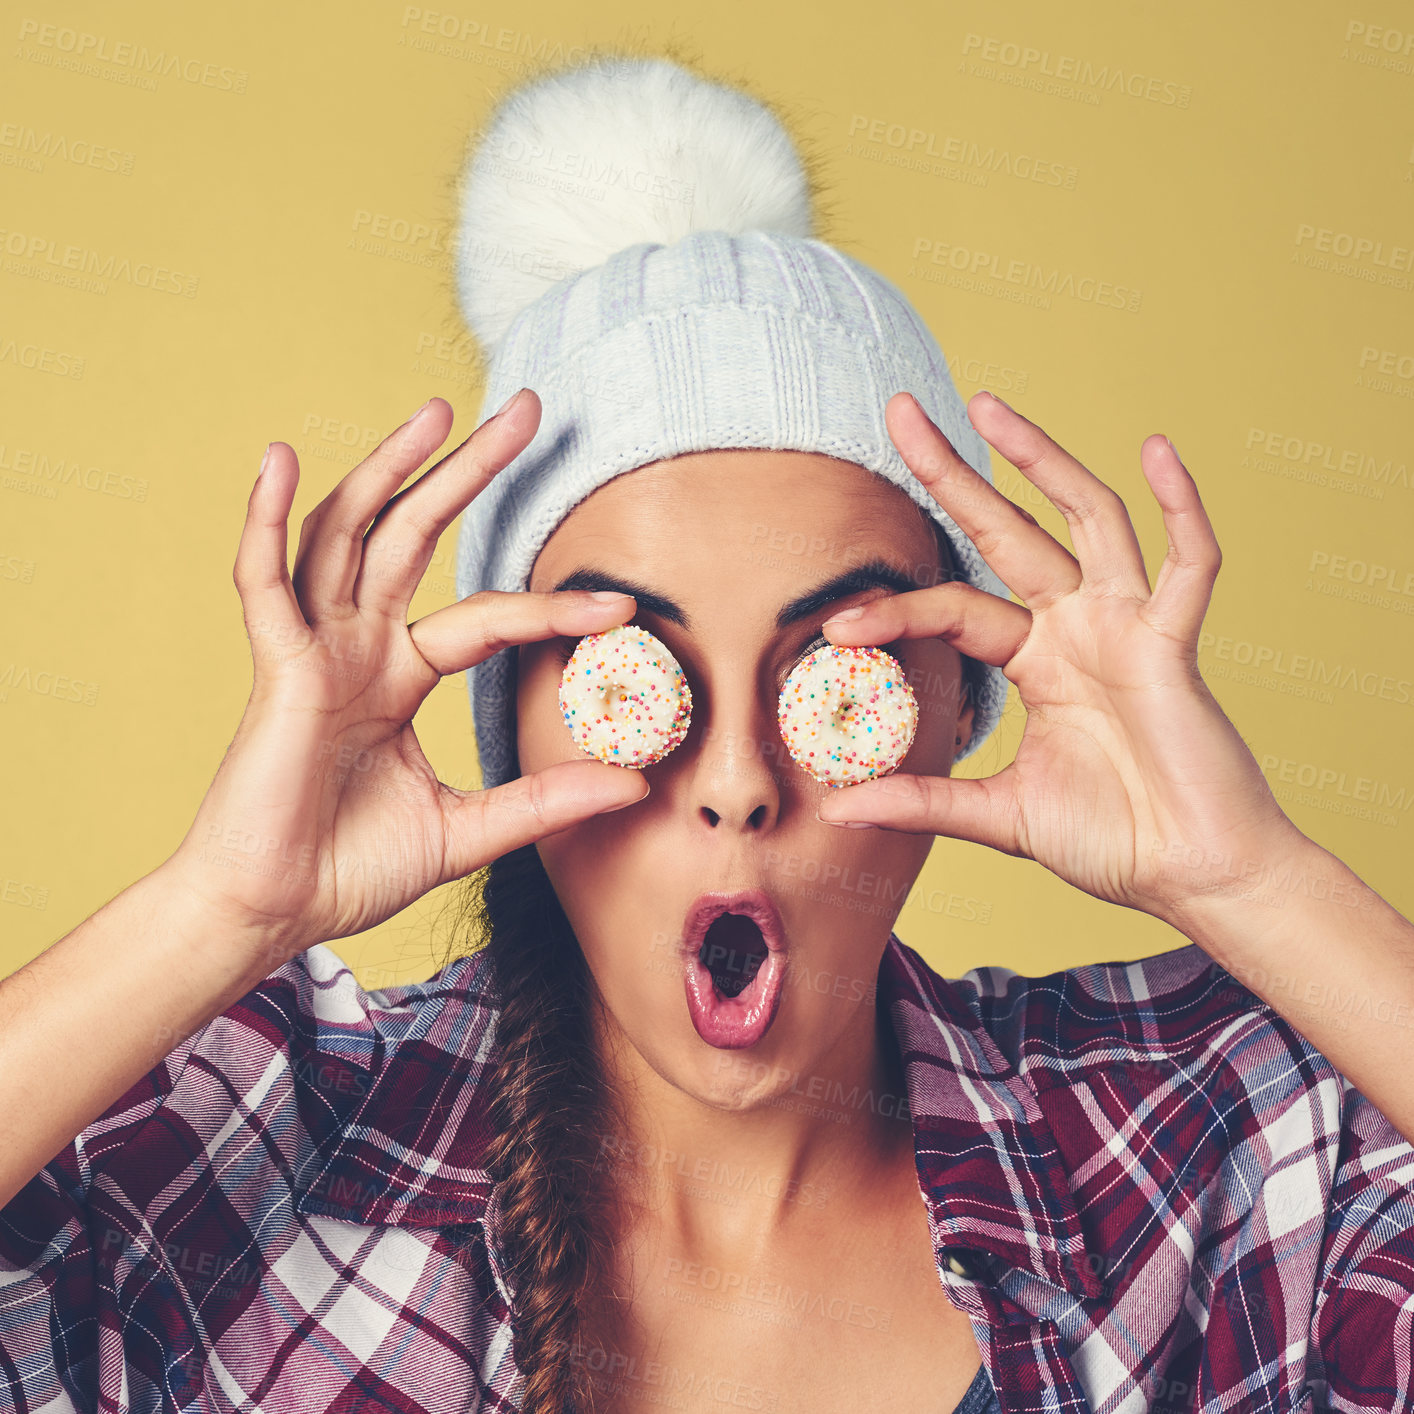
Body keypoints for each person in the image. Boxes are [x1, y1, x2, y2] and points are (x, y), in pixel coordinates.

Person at [3, 49, 1413, 1414]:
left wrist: (1253, 881)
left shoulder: (1193, 1146)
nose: (735, 779)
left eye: (834, 668)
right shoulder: (271, 1153)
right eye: (634, 669)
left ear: (957, 702)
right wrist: (217, 908)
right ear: (508, 721)